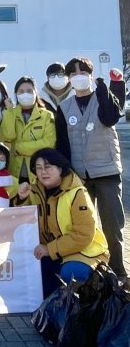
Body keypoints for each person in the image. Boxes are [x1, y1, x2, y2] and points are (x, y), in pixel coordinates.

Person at [56, 57, 127, 281]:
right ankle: (91, 269)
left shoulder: (104, 97)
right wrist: (66, 174)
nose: (79, 76)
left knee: (112, 226)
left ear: (90, 74)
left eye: (83, 72)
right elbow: (62, 143)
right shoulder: (64, 107)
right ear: (69, 79)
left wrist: (104, 88)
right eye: (74, 74)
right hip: (79, 176)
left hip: (106, 172)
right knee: (82, 226)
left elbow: (110, 118)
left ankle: (118, 272)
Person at [13, 148, 109, 297]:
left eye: (48, 167)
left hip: (82, 252)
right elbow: (20, 222)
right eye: (38, 168)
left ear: (60, 168)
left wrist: (49, 249)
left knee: (72, 273)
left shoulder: (77, 193)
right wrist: (21, 199)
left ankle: (88, 296)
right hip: (51, 251)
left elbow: (83, 235)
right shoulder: (35, 191)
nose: (43, 172)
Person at [0, 76, 56, 183]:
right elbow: (8, 136)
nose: (26, 94)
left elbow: (48, 143)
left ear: (36, 93)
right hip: (14, 171)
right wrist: (9, 111)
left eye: (29, 91)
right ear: (16, 94)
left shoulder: (46, 116)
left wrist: (19, 148)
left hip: (39, 171)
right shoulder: (10, 113)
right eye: (21, 91)